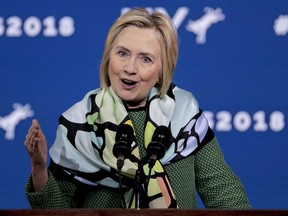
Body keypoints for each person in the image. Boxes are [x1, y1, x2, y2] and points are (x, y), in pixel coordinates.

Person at [24, 7, 251, 209]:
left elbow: (223, 193)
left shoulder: (185, 115)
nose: (130, 68)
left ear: (162, 70)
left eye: (145, 59)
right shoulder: (79, 125)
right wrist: (39, 167)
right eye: (122, 53)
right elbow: (58, 210)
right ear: (108, 58)